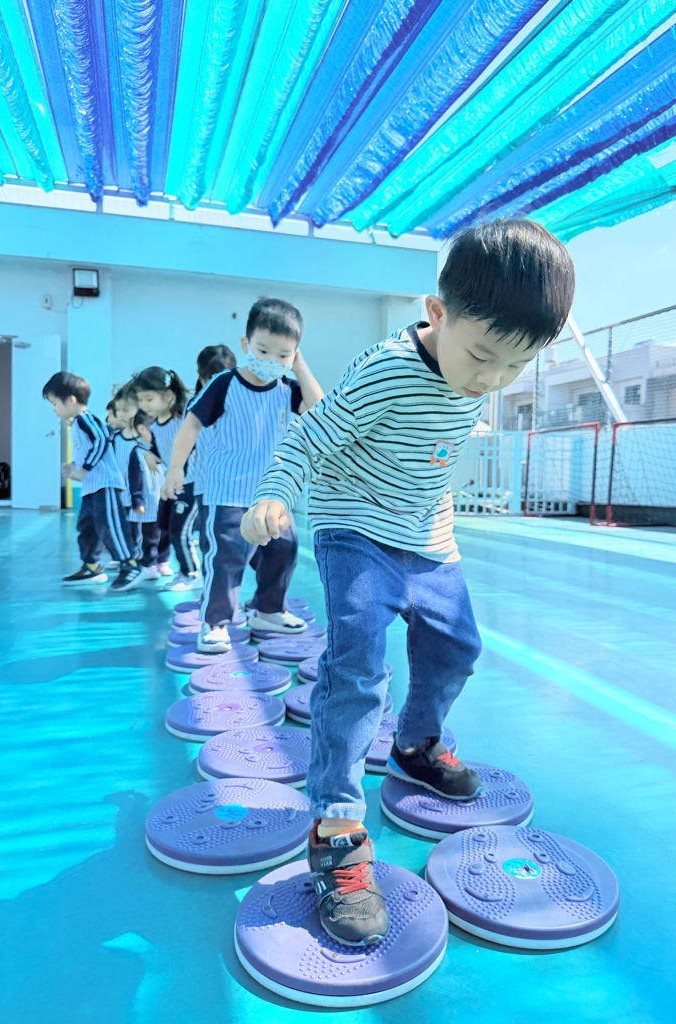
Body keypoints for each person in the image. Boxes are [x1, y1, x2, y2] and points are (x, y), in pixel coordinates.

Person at [240, 220, 576, 946]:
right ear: (437, 313)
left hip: (427, 533)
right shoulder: (388, 370)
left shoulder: (480, 368)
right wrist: (275, 494)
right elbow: (312, 434)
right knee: (357, 667)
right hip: (355, 525)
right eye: (482, 357)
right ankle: (337, 830)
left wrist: (435, 509)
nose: (491, 380)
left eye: (516, 366)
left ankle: (416, 747)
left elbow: (436, 448)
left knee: (457, 647)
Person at [162, 297, 324, 653]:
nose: (271, 361)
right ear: (245, 344)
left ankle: (268, 610)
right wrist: (175, 469)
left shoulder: (287, 388)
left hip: (273, 496)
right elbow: (191, 424)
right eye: (263, 350)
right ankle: (215, 623)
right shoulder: (224, 384)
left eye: (283, 355)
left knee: (283, 551)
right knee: (226, 558)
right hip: (227, 494)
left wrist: (299, 367)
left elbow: (320, 409)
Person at [42, 371, 145, 592]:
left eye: (55, 403)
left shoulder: (85, 419)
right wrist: (75, 465)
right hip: (92, 487)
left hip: (105, 484)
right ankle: (92, 566)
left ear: (71, 400)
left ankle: (131, 565)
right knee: (88, 526)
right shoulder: (77, 424)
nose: (54, 409)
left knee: (111, 526)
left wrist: (84, 469)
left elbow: (101, 441)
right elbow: (89, 449)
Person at [132, 366, 196, 589]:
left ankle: (191, 573)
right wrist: (151, 455)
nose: (144, 405)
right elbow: (160, 451)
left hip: (192, 484)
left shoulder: (183, 419)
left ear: (168, 396)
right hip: (173, 485)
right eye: (141, 399)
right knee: (166, 526)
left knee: (181, 531)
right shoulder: (156, 425)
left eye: (149, 399)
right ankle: (171, 565)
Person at [185, 345, 238, 561]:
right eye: (210, 378)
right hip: (206, 485)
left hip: (238, 485)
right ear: (201, 377)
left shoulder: (242, 401)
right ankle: (211, 582)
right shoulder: (194, 405)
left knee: (242, 544)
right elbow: (187, 444)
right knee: (210, 541)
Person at [128, 409, 165, 575]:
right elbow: (134, 478)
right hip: (146, 504)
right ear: (142, 429)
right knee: (145, 536)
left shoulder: (162, 450)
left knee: (160, 534)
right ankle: (146, 564)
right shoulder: (137, 452)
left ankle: (161, 561)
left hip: (160, 502)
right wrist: (137, 500)